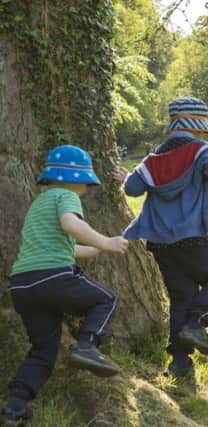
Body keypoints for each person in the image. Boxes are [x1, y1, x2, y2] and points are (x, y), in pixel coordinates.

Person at [1, 145, 129, 425]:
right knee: (106, 300)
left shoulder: (39, 204)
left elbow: (64, 246)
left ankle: (15, 405)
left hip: (23, 286)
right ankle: (86, 346)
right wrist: (106, 241)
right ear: (75, 178)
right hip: (53, 277)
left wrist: (97, 248)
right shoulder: (66, 196)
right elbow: (70, 224)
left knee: (43, 350)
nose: (86, 185)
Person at [112, 96, 208, 379]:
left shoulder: (152, 159)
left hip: (160, 241)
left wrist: (126, 175)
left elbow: (132, 189)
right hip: (192, 236)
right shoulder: (203, 151)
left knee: (182, 296)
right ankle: (197, 323)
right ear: (199, 126)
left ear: (172, 125)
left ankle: (179, 363)